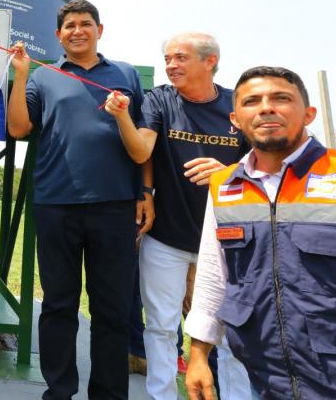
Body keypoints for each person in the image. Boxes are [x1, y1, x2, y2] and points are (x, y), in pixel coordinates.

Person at [184, 66, 336, 399]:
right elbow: (213, 277)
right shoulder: (225, 186)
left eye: (281, 98)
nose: (265, 108)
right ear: (235, 119)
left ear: (308, 114)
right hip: (267, 377)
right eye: (252, 101)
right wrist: (199, 355)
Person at [7, 0, 148, 400]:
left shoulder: (125, 75)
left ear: (99, 30)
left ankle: (107, 394)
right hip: (56, 204)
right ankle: (59, 391)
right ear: (58, 35)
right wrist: (20, 77)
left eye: (86, 24)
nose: (77, 30)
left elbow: (142, 140)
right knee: (58, 306)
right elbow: (19, 128)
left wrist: (144, 192)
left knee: (112, 310)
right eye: (69, 25)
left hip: (115, 205)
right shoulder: (44, 76)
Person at [104, 33, 251, 399]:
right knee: (160, 328)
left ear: (210, 61)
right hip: (166, 237)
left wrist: (227, 172)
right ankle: (162, 396)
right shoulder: (159, 100)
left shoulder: (239, 105)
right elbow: (142, 153)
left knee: (232, 332)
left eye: (180, 58)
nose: (171, 65)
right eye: (167, 58)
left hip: (226, 241)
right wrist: (123, 117)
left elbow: (265, 166)